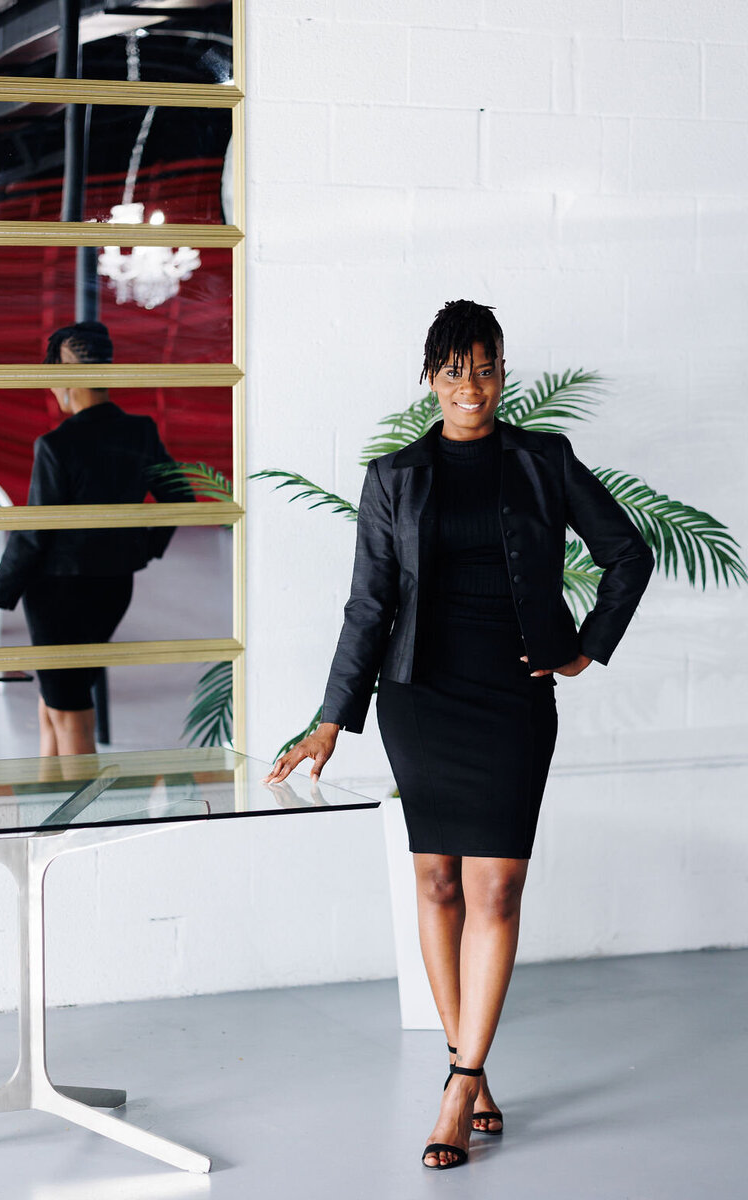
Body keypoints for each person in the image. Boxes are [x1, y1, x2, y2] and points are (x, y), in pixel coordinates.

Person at [261, 300, 654, 1170]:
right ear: (429, 378)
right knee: (439, 886)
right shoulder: (393, 476)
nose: (470, 385)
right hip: (420, 699)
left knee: (497, 892)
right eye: (453, 369)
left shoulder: (542, 459)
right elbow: (369, 606)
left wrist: (586, 649)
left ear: (502, 374)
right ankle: (467, 1070)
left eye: (485, 367)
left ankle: (458, 1082)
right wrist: (333, 719)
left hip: (511, 699)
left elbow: (629, 550)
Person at [0, 321, 189, 757]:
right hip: (113, 588)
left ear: (66, 373)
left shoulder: (56, 445)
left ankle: (81, 823)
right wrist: (140, 550)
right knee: (54, 701)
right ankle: (49, 810)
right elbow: (181, 498)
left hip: (59, 596)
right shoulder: (140, 431)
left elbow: (34, 535)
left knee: (68, 706)